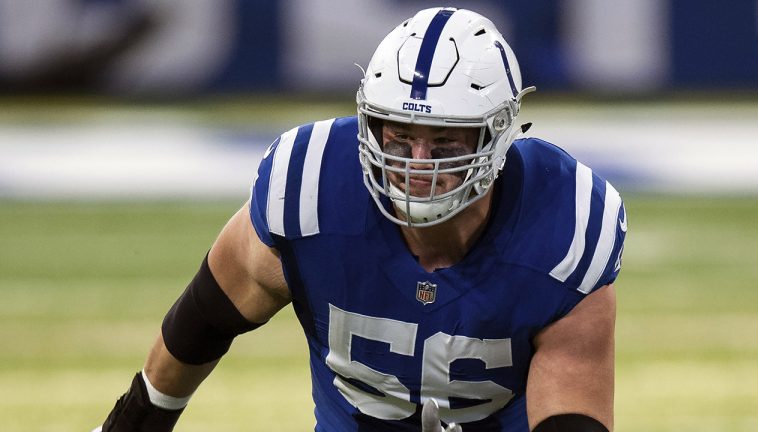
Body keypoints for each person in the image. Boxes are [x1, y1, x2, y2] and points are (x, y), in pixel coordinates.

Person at [95, 7, 626, 432]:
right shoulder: (312, 191)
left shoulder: (562, 225)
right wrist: (136, 421)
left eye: (445, 140)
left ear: (499, 135)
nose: (417, 163)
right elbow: (205, 319)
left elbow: (572, 409)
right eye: (398, 135)